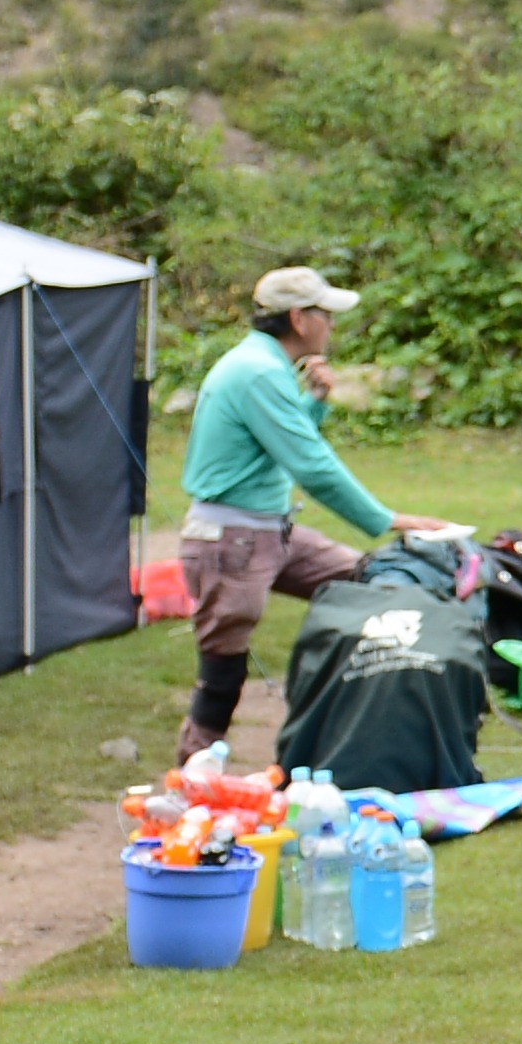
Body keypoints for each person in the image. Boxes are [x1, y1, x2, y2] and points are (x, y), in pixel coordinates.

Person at [179, 266, 414, 768]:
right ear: (298, 318)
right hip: (232, 539)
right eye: (324, 313)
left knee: (369, 579)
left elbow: (274, 446)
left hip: (270, 530)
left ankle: (346, 727)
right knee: (223, 664)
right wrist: (390, 519)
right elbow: (311, 466)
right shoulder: (256, 371)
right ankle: (193, 778)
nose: (331, 323)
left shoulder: (265, 366)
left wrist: (317, 402)